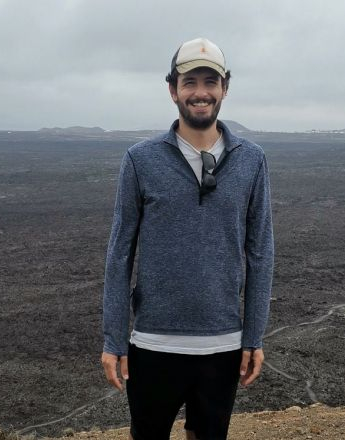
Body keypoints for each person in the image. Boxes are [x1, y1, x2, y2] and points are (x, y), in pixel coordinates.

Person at [101, 37, 274, 440]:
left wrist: (254, 336)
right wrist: (114, 339)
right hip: (153, 342)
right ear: (172, 89)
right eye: (190, 81)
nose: (200, 92)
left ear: (225, 88)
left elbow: (261, 253)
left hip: (224, 343)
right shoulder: (140, 160)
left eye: (210, 81)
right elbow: (119, 253)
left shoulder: (252, 160)